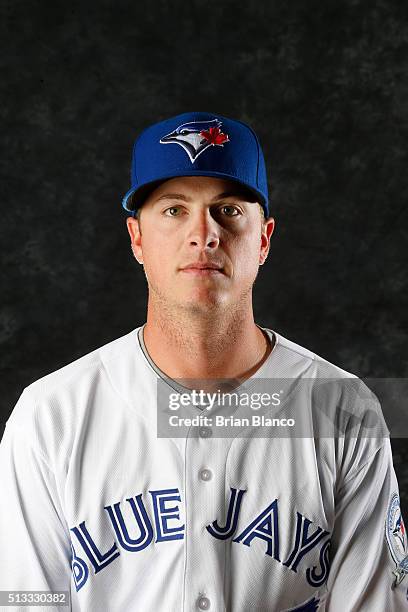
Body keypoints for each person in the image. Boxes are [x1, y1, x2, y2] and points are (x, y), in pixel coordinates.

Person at [0, 111, 406, 611]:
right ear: (137, 238)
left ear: (264, 239)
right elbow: (24, 601)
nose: (203, 233)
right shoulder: (50, 414)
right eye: (173, 210)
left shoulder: (344, 409)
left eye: (229, 210)